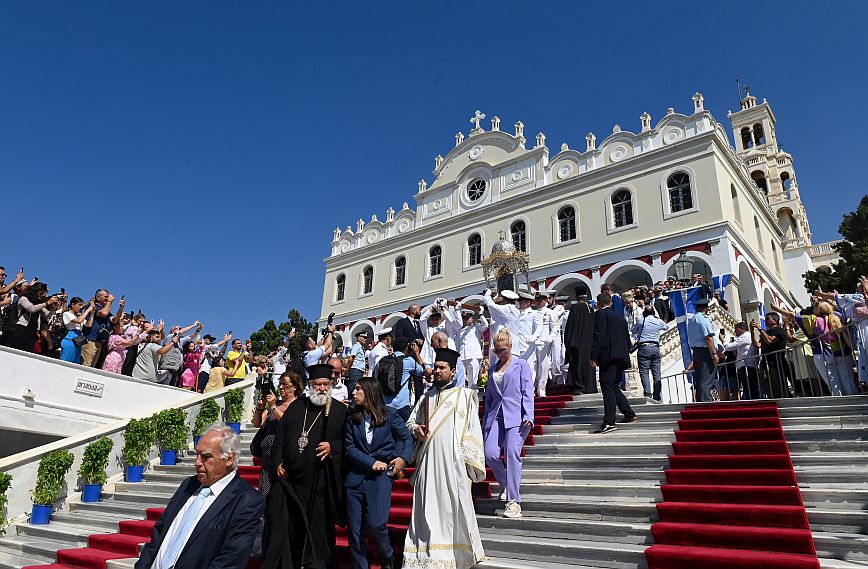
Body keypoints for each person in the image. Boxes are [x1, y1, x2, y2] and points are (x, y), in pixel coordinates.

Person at [135, 425, 265, 569]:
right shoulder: (188, 485)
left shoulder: (246, 501)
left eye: (206, 457)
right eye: (197, 455)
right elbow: (159, 534)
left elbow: (230, 561)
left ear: (229, 458)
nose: (197, 462)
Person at [404, 348, 485, 569]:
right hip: (429, 461)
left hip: (452, 462)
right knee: (426, 507)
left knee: (450, 509)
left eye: (442, 368)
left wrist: (469, 464)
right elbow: (411, 422)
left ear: (452, 371)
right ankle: (425, 552)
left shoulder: (465, 396)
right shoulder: (425, 397)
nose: (437, 371)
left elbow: (472, 430)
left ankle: (452, 552)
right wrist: (416, 430)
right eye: (436, 367)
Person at [265, 364, 348, 569]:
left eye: (325, 384)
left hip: (317, 483)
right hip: (289, 481)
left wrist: (332, 447)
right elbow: (278, 440)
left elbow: (348, 444)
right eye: (318, 384)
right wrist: (277, 464)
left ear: (331, 385)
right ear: (310, 385)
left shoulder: (339, 411)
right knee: (285, 527)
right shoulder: (297, 407)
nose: (321, 388)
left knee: (318, 528)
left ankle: (315, 563)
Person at [344, 377, 413, 569]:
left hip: (380, 478)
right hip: (355, 479)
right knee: (355, 531)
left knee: (376, 523)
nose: (353, 393)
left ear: (370, 392)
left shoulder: (390, 415)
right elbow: (349, 448)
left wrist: (402, 459)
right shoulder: (352, 418)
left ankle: (387, 555)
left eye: (358, 389)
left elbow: (406, 437)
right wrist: (371, 462)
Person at [483, 329, 533, 519]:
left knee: (512, 454)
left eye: (503, 350)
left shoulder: (521, 365)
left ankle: (514, 501)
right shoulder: (492, 369)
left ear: (510, 347)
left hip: (517, 416)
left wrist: (529, 413)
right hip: (496, 415)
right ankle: (505, 482)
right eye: (497, 351)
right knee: (490, 453)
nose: (500, 354)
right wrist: (485, 419)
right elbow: (489, 397)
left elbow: (527, 390)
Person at [251, 370, 303, 497]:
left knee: (277, 493)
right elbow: (257, 424)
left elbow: (288, 424)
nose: (280, 387)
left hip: (282, 457)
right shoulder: (277, 404)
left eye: (285, 384)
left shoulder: (298, 405)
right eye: (280, 384)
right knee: (265, 492)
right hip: (267, 458)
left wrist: (273, 406)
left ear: (295, 386)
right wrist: (260, 408)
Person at [590, 293, 637, 433]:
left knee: (607, 387)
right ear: (610, 302)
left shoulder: (600, 314)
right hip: (621, 356)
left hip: (609, 357)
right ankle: (628, 413)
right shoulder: (619, 317)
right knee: (614, 386)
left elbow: (599, 335)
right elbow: (627, 339)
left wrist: (593, 356)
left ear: (598, 303)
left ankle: (609, 421)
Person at [2, 282, 62, 352]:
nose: (43, 295)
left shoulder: (38, 303)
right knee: (16, 351)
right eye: (41, 293)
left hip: (32, 330)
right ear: (35, 291)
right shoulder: (24, 298)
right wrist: (47, 303)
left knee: (27, 353)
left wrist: (53, 308)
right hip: (21, 328)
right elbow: (31, 309)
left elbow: (46, 315)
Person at [751, 312, 792, 399]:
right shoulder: (766, 333)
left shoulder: (779, 330)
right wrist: (752, 332)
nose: (765, 320)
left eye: (767, 318)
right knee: (767, 384)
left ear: (774, 320)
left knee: (778, 384)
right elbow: (757, 345)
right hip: (766, 363)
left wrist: (760, 329)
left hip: (777, 362)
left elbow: (770, 341)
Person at [631, 305, 668, 399]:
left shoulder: (641, 321)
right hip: (655, 347)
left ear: (644, 312)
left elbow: (633, 331)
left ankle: (647, 393)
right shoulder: (658, 321)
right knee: (656, 372)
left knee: (644, 371)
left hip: (644, 348)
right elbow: (666, 327)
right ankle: (657, 395)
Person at [387, 336, 427, 421]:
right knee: (405, 432)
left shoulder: (385, 360)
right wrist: (416, 353)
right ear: (406, 348)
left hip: (386, 404)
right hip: (401, 404)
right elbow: (422, 371)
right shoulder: (408, 361)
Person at [686, 297, 718, 402]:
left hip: (696, 351)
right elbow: (708, 337)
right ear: (706, 308)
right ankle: (706, 403)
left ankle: (701, 401)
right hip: (705, 351)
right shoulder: (703, 319)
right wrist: (714, 353)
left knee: (700, 379)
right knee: (707, 378)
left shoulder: (692, 320)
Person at [81, 289, 123, 368]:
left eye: (108, 297)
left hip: (99, 341)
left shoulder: (105, 308)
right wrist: (110, 302)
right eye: (105, 297)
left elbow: (114, 320)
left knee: (92, 366)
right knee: (86, 365)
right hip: (90, 340)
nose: (107, 299)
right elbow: (103, 313)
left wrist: (121, 308)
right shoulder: (93, 307)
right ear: (98, 297)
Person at [563, 295, 596, 394]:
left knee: (578, 363)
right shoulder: (590, 308)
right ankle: (590, 387)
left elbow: (571, 325)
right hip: (589, 341)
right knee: (588, 365)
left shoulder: (576, 308)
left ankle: (580, 386)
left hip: (577, 341)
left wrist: (568, 341)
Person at [723, 321, 761, 399]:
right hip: (749, 365)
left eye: (736, 329)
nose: (734, 332)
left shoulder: (745, 336)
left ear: (742, 328)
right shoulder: (748, 336)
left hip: (747, 366)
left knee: (748, 387)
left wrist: (723, 340)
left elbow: (729, 347)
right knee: (750, 387)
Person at [456, 308, 487, 389]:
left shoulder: (477, 327)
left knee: (473, 381)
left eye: (468, 318)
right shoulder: (460, 331)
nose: (467, 320)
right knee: (460, 378)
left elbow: (486, 325)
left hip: (473, 356)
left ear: (472, 318)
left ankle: (472, 396)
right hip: (462, 357)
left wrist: (481, 314)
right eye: (465, 318)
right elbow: (458, 345)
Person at [59, 297, 95, 363]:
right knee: (65, 362)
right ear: (72, 305)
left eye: (81, 305)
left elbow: (88, 325)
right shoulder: (67, 313)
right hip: (70, 340)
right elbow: (79, 321)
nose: (81, 307)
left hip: (78, 340)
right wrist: (88, 310)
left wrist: (92, 313)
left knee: (75, 363)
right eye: (79, 305)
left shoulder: (78, 316)